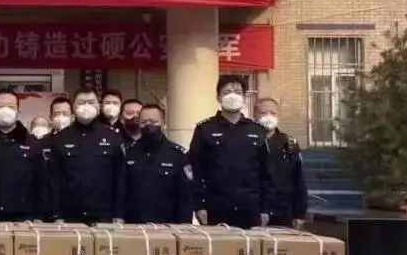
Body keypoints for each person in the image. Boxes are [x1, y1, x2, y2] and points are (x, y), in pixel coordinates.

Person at [188, 76, 275, 229]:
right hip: (215, 207)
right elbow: (194, 170)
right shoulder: (205, 129)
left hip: (250, 207)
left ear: (244, 97)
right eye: (227, 92)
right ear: (218, 97)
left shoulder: (257, 130)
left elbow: (266, 173)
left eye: (237, 92)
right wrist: (199, 205)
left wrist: (265, 208)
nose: (232, 96)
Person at [50, 87, 126, 223]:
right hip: (70, 214)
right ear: (73, 107)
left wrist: (118, 214)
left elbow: (119, 178)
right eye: (81, 102)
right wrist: (56, 214)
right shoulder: (61, 138)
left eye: (91, 102)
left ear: (98, 106)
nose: (86, 106)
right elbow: (55, 180)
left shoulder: (113, 137)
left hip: (104, 213)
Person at [0, 90, 49, 221]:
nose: (6, 110)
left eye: (11, 107)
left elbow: (41, 183)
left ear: (18, 112)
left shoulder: (32, 143)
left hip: (24, 219)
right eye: (1, 106)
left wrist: (38, 215)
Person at [123, 104, 194, 224]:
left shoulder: (177, 155)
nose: (148, 125)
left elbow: (185, 195)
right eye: (144, 122)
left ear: (163, 122)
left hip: (168, 224)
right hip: (133, 223)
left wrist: (185, 224)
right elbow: (121, 190)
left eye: (153, 121)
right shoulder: (128, 153)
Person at [255, 97, 309, 229]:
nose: (269, 116)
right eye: (264, 113)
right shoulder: (249, 141)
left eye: (273, 113)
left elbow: (299, 180)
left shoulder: (289, 144)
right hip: (255, 211)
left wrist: (299, 213)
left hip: (283, 212)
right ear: (255, 115)